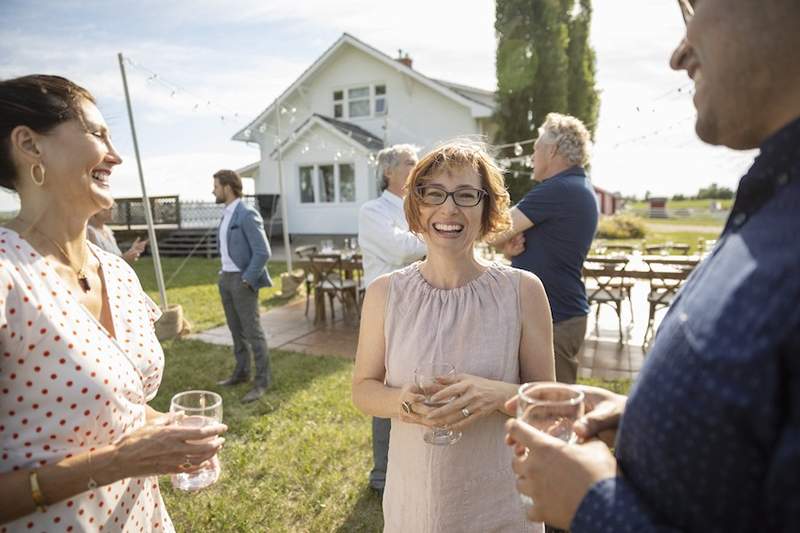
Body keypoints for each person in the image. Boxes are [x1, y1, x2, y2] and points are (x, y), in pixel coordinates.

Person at [505, 0, 800, 531]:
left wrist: (591, 505)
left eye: (694, 6)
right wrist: (645, 415)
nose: (678, 53)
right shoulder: (776, 198)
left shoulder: (554, 192)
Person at [0, 74, 227, 530]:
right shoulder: (8, 278)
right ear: (29, 145)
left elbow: (120, 403)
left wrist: (167, 429)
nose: (115, 155)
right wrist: (118, 461)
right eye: (97, 134)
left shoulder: (119, 274)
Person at [352, 139, 555, 532]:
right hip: (416, 502)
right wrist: (404, 403)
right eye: (434, 194)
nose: (449, 208)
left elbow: (547, 404)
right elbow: (363, 389)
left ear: (487, 209)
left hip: (501, 501)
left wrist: (496, 394)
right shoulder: (384, 293)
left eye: (466, 195)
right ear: (416, 206)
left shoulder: (523, 291)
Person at [491, 113, 598, 384]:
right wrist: (511, 250)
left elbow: (493, 230)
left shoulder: (558, 189)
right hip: (560, 312)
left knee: (552, 408)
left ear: (552, 150)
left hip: (556, 316)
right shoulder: (576, 186)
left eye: (536, 148)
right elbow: (518, 239)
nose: (531, 156)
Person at [357, 144, 427, 495]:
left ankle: (410, 465)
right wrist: (436, 231)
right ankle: (382, 476)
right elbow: (401, 249)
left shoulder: (419, 206)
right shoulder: (373, 210)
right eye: (411, 162)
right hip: (387, 310)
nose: (418, 167)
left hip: (422, 306)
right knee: (384, 389)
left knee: (414, 383)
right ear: (389, 172)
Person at [212, 169, 273, 403]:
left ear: (228, 187)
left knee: (253, 332)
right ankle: (241, 372)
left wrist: (247, 278)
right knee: (235, 330)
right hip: (225, 278)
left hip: (242, 280)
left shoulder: (246, 214)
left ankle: (262, 381)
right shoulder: (226, 214)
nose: (214, 191)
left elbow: (262, 251)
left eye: (216, 186)